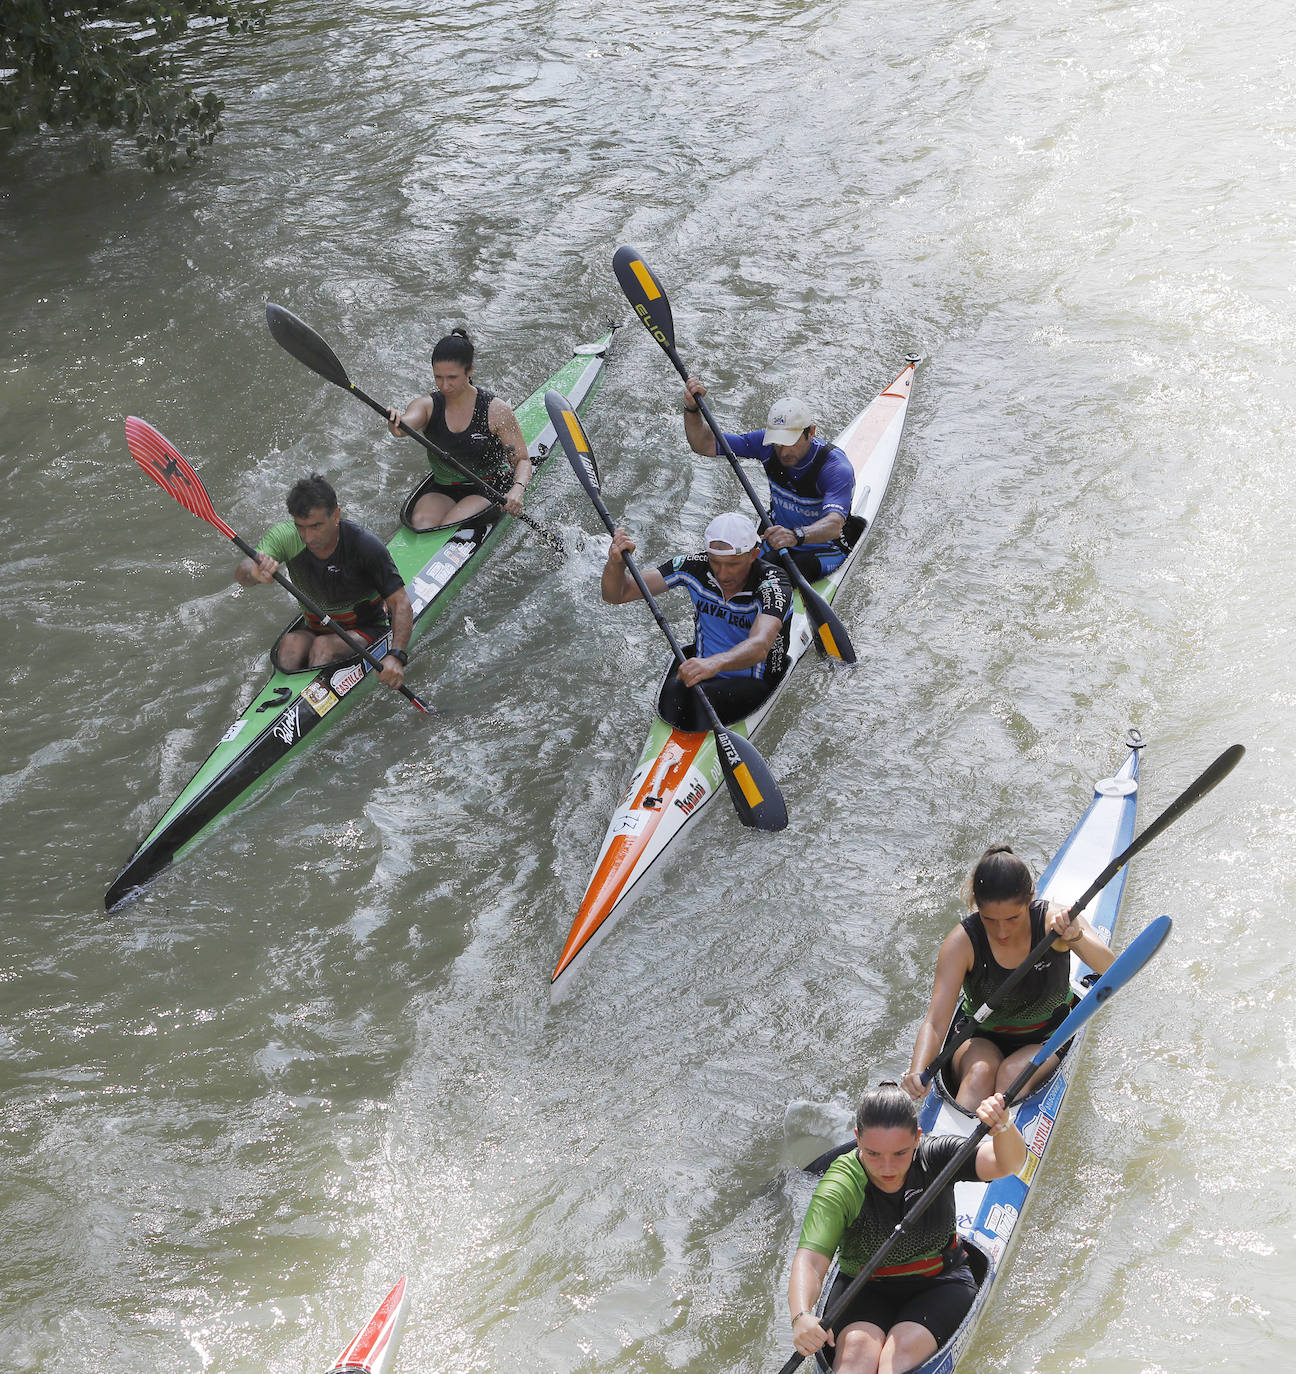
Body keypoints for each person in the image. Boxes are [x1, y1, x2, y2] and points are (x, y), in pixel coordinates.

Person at [788, 1083, 1025, 1374]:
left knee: (894, 1365)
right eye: (873, 1154)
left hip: (940, 1281)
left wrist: (1003, 1128)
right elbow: (811, 1260)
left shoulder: (935, 1155)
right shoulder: (840, 1184)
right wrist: (801, 1316)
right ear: (857, 1140)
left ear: (917, 1138)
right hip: (864, 1287)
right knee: (854, 1365)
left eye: (900, 1153)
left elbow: (1008, 1164)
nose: (887, 1167)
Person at [902, 845, 1117, 1110]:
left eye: (1013, 918)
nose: (1002, 931)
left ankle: (1001, 1142)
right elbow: (935, 1022)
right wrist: (917, 1070)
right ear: (975, 905)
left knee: (1011, 1075)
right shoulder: (961, 943)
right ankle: (951, 1143)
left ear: (1031, 899)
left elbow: (1111, 968)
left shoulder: (1055, 922)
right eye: (990, 919)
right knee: (981, 1073)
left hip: (1045, 1037)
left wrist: (1075, 937)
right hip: (980, 1038)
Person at [600, 511, 793, 730]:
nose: (722, 574)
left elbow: (760, 646)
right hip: (704, 678)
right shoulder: (692, 566)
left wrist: (715, 663)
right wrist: (616, 564)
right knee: (674, 694)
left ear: (753, 555)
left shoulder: (772, 584)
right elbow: (617, 595)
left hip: (755, 683)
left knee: (701, 696)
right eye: (715, 562)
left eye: (733, 564)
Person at [235, 473, 412, 687]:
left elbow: (400, 602)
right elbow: (244, 572)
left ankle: (313, 696)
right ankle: (286, 700)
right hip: (317, 626)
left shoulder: (364, 545)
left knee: (323, 647)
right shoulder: (286, 536)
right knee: (290, 644)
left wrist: (396, 656)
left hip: (366, 629)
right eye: (301, 526)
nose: (308, 537)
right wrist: (253, 572)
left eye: (316, 526)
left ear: (336, 515)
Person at [681, 379, 856, 580]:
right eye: (778, 443)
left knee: (793, 570)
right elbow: (704, 444)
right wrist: (691, 409)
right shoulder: (765, 444)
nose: (783, 451)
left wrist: (796, 536)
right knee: (736, 573)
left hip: (824, 548)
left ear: (811, 432)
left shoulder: (835, 468)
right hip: (777, 537)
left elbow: (834, 525)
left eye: (791, 442)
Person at [386, 327, 533, 530]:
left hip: (487, 486)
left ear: (469, 371)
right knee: (420, 524)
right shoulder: (426, 406)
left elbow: (523, 460)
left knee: (450, 525)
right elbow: (403, 428)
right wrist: (396, 421)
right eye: (438, 377)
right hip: (444, 487)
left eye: (452, 378)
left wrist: (518, 489)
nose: (444, 386)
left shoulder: (496, 410)